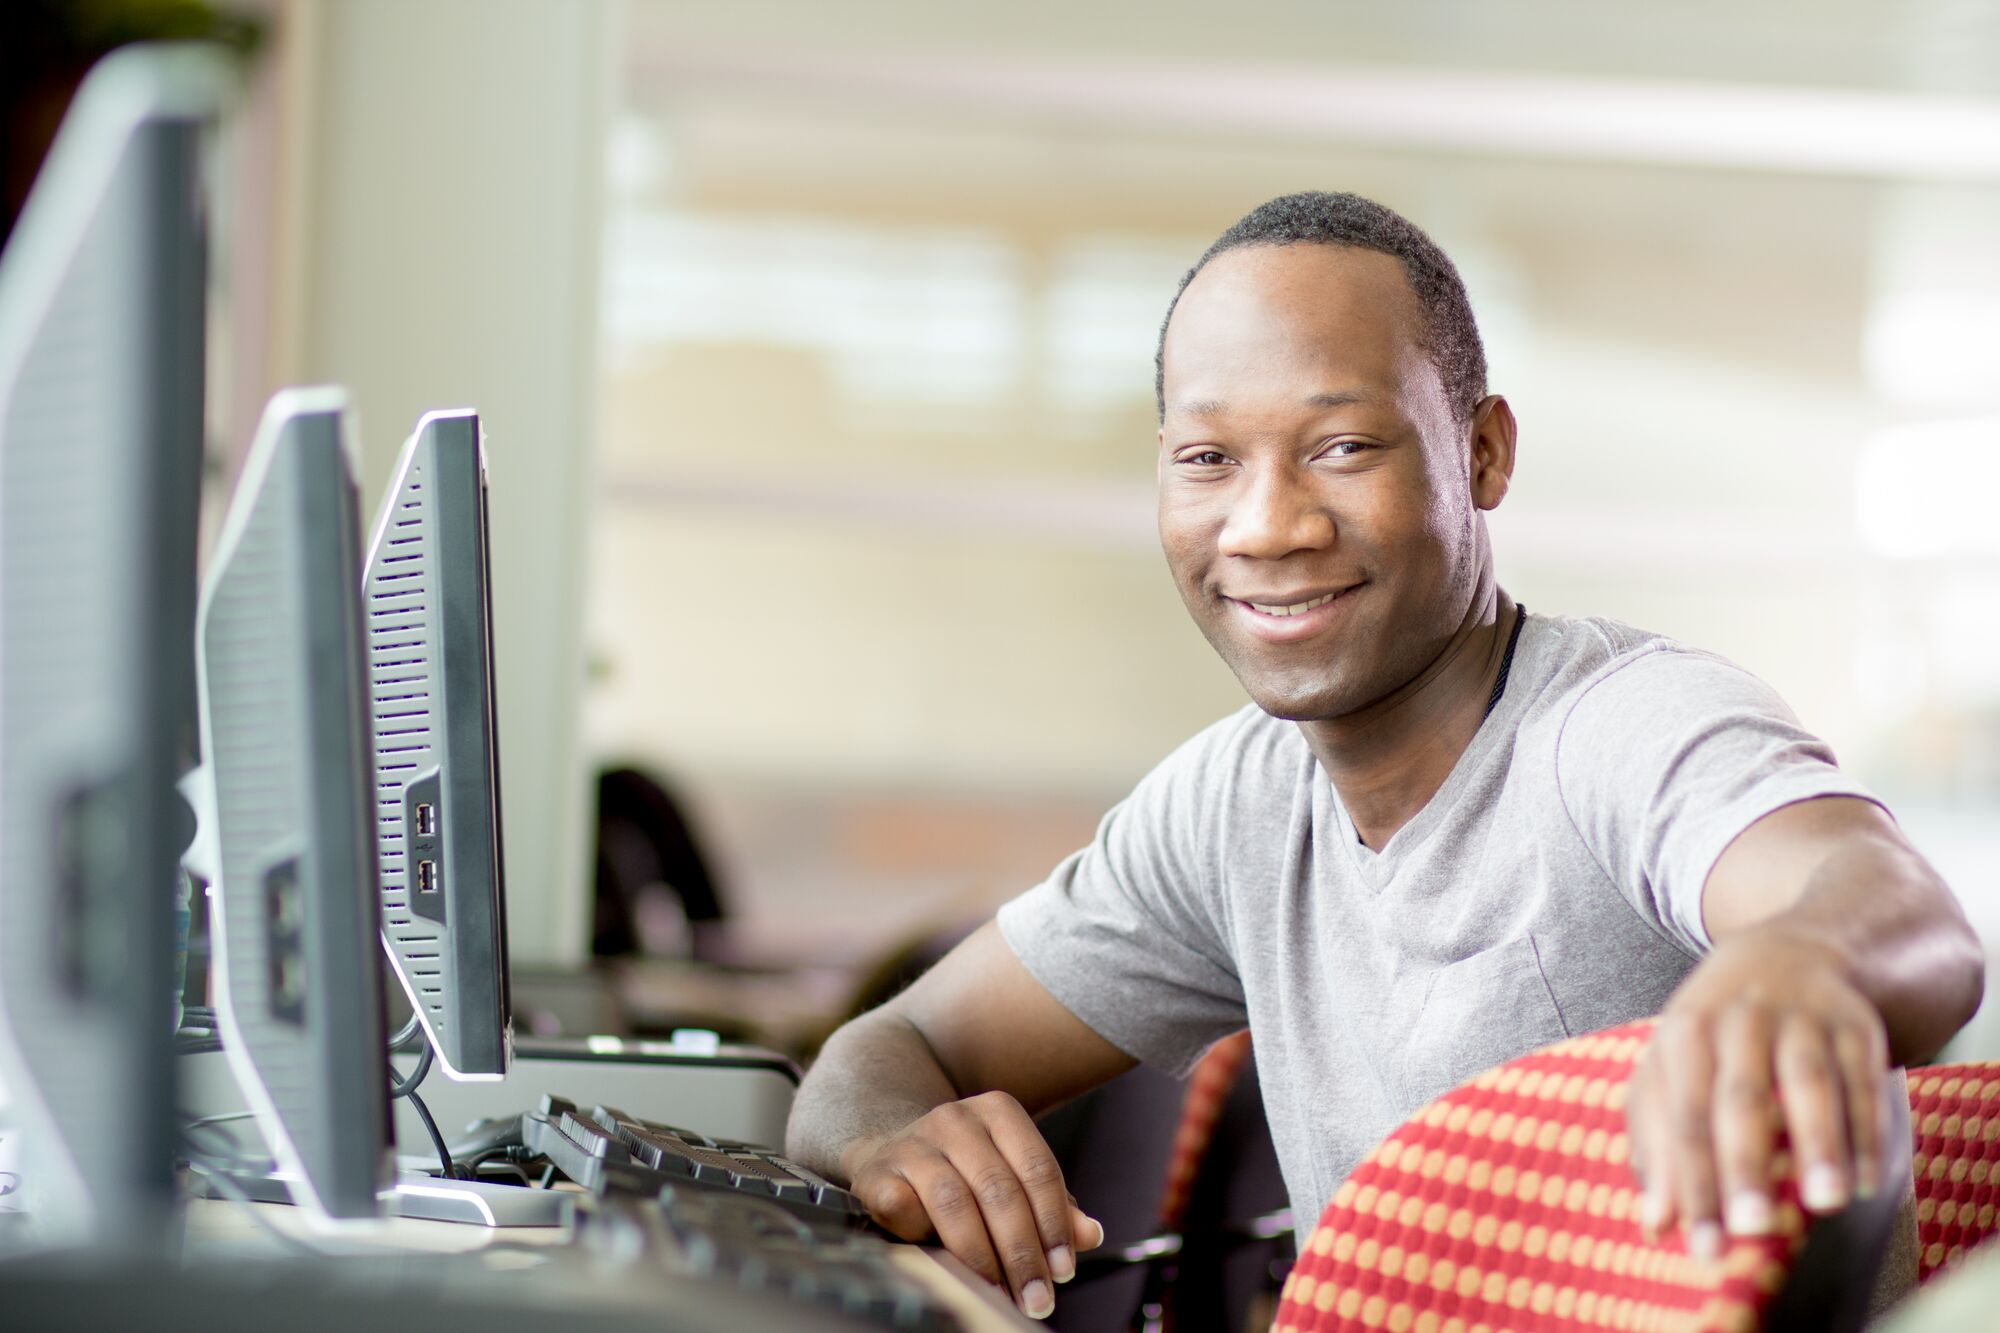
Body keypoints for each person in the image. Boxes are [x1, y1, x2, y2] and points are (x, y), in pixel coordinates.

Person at [784, 191, 1986, 1322]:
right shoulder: (1235, 801)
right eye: (1207, 460)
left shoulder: (1622, 726)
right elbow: (887, 1049)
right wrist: (890, 1134)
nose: (1266, 525)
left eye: (1342, 446)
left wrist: (1800, 962)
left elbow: (1902, 915)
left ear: (1480, 455)